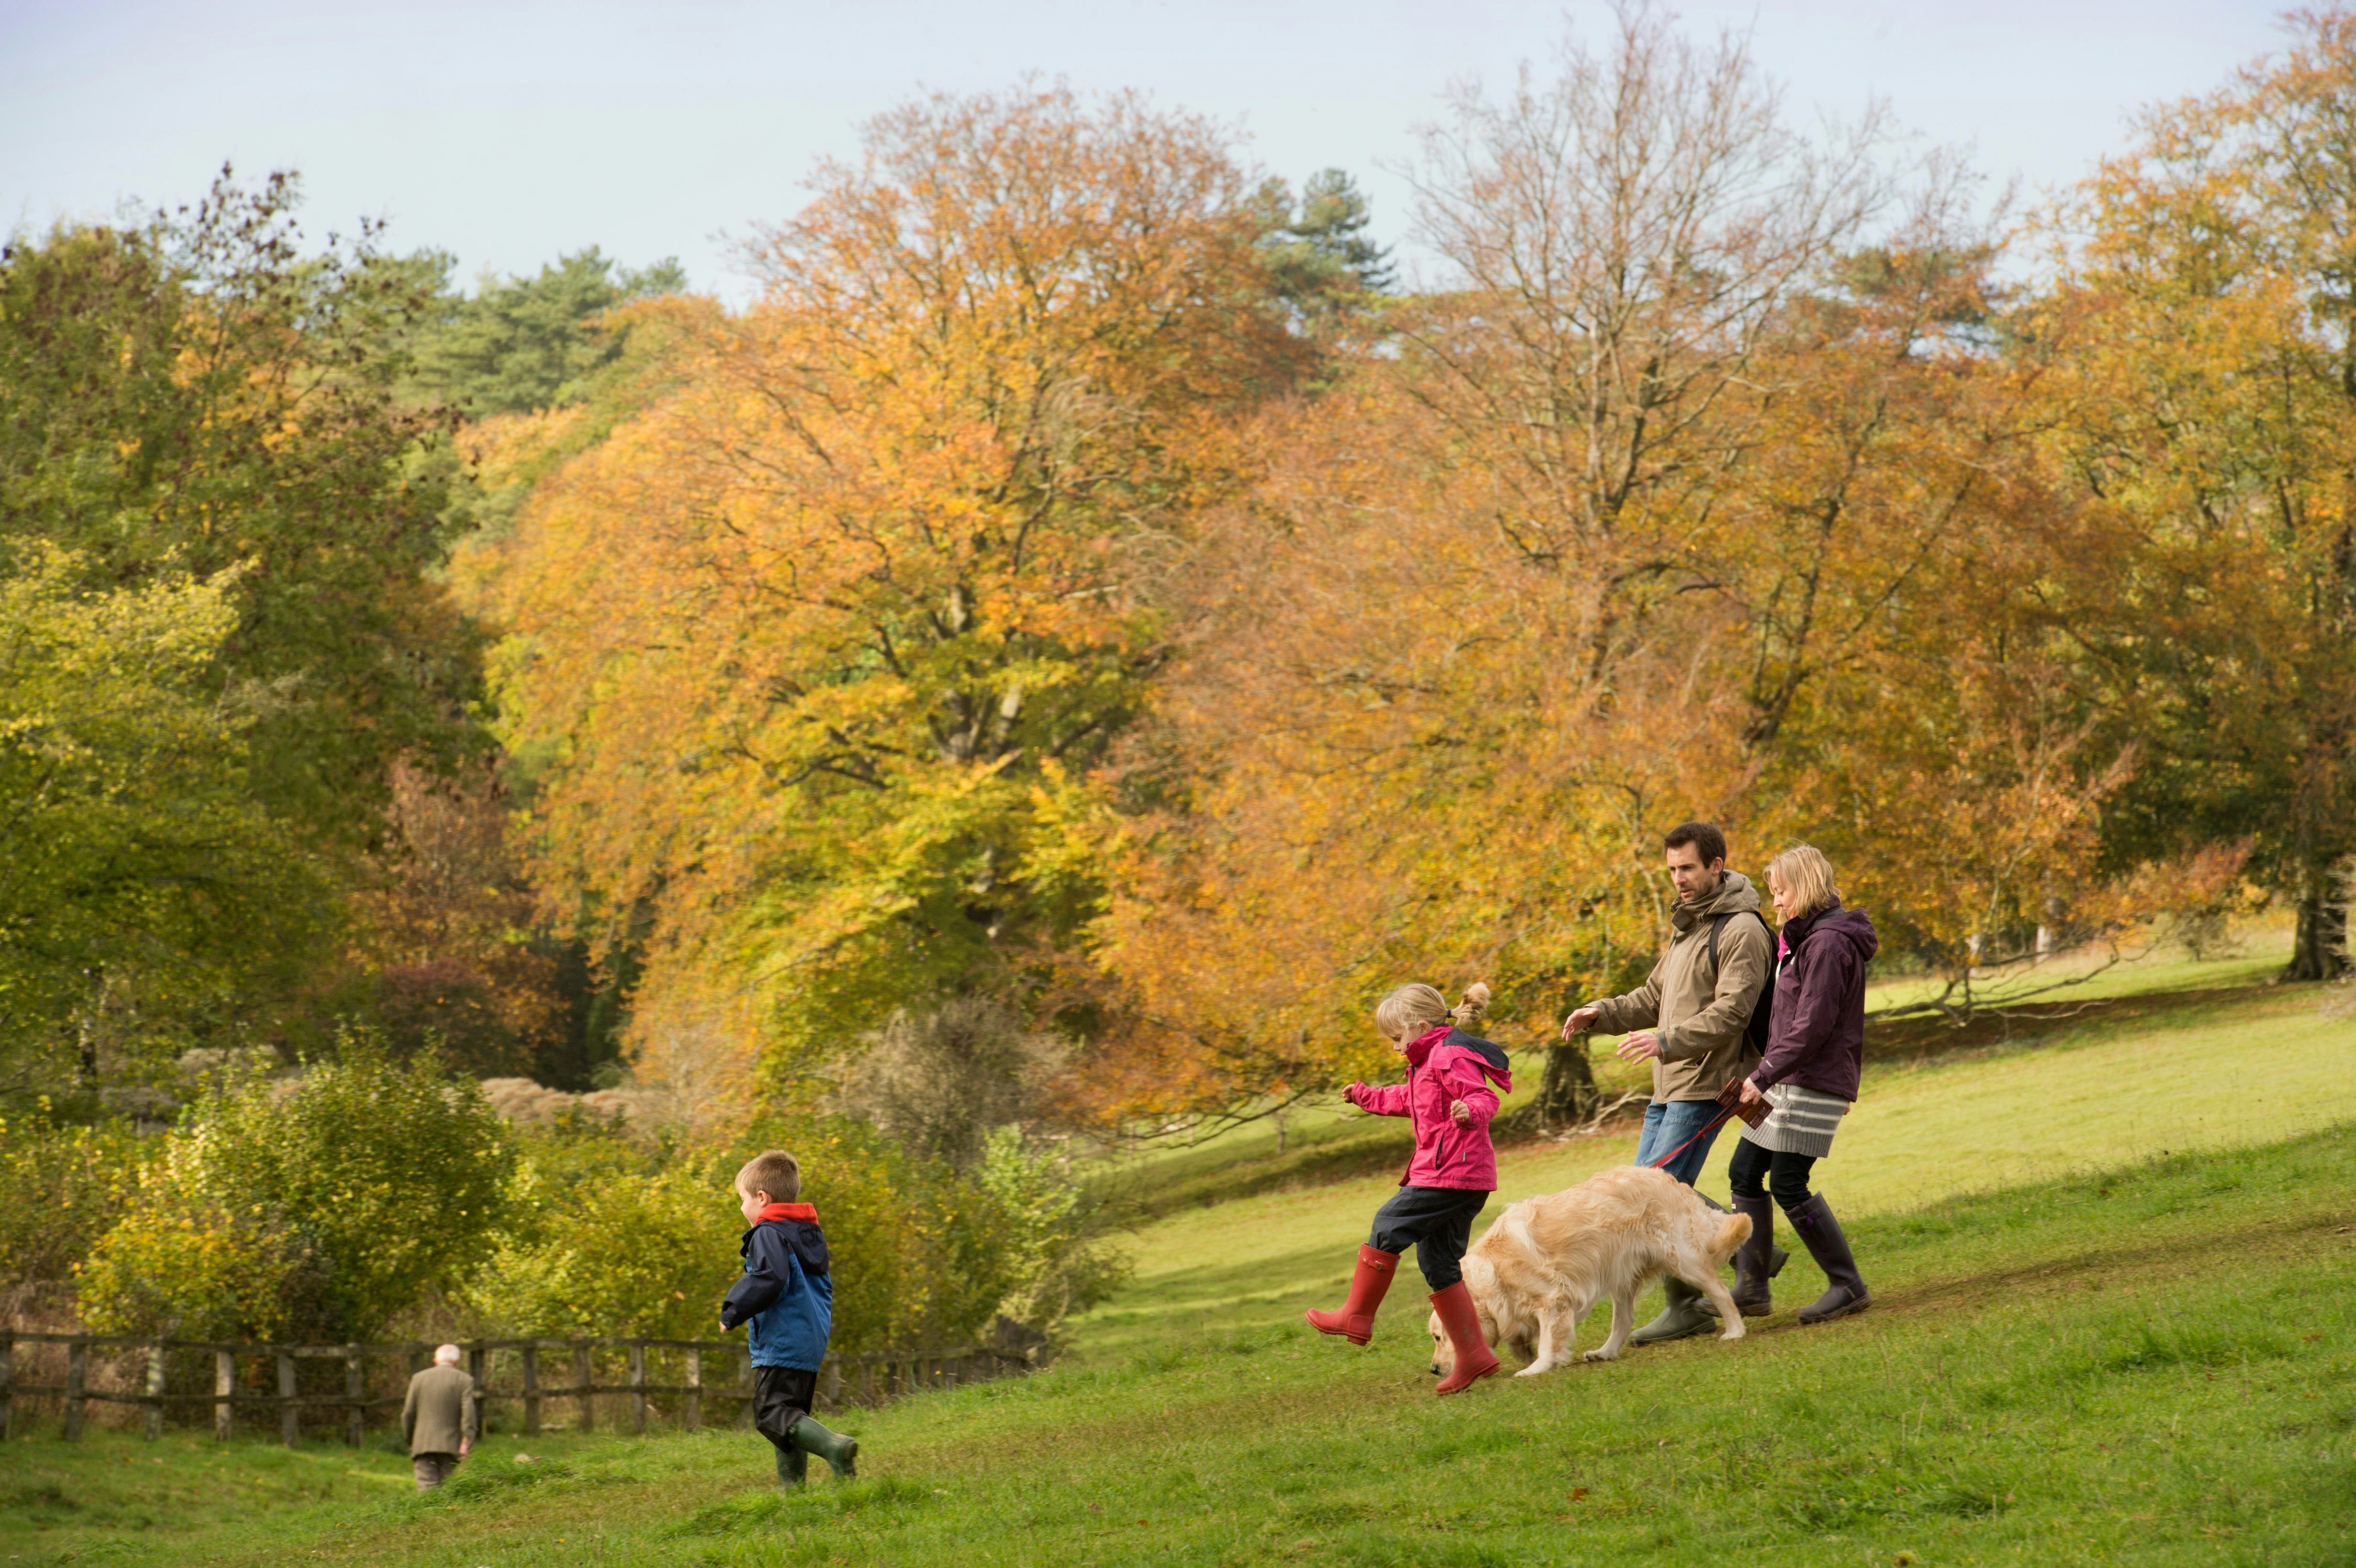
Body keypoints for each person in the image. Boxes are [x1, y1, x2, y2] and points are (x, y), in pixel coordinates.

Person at [1560, 820, 1778, 1346]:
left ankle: (1748, 1255)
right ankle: (1717, 1278)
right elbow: (1653, 996)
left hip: (1705, 1083)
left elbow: (1731, 1013)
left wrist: (1664, 1042)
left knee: (1647, 1197)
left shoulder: (1741, 929)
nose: (1677, 878)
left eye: (1686, 868)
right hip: (1669, 1083)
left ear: (1715, 867)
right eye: (1672, 870)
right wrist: (1602, 1012)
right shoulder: (1689, 926)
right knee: (1645, 1189)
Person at [1304, 982, 1510, 1395]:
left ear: (1418, 1026)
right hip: (1458, 1176)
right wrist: (1367, 1097)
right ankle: (1473, 1355)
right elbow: (1411, 1101)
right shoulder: (1426, 1060)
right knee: (1437, 1263)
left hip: (1453, 1172)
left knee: (1388, 1223)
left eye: (1397, 1038)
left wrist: (1469, 1111)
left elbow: (1484, 1098)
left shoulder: (1449, 1055)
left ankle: (1356, 1316)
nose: (1396, 1048)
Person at [1727, 843, 1878, 1323]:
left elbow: (1812, 1026)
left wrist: (1761, 1075)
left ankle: (1846, 1284)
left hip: (1805, 1079)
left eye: (1780, 891)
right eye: (1772, 892)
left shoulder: (1828, 944)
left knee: (1789, 1182)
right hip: (1788, 1077)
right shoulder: (1804, 940)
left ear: (1806, 884)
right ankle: (1751, 1286)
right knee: (1744, 1171)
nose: (1774, 902)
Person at [718, 1149, 861, 1487]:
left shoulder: (768, 1233)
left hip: (782, 1340)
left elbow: (769, 1277)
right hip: (808, 1339)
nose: (742, 1208)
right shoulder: (807, 1232)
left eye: (743, 1199)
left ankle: (835, 1447)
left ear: (762, 1198)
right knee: (790, 1416)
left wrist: (733, 1309)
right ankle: (793, 1491)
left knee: (771, 1415)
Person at [402, 1344, 477, 1492]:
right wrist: (467, 1441)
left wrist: (411, 1440)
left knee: (426, 1489)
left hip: (423, 1444)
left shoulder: (419, 1379)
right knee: (448, 1490)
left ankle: (427, 1514)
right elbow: (468, 1415)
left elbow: (408, 1414)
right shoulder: (464, 1380)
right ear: (457, 1361)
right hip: (451, 1445)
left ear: (436, 1360)